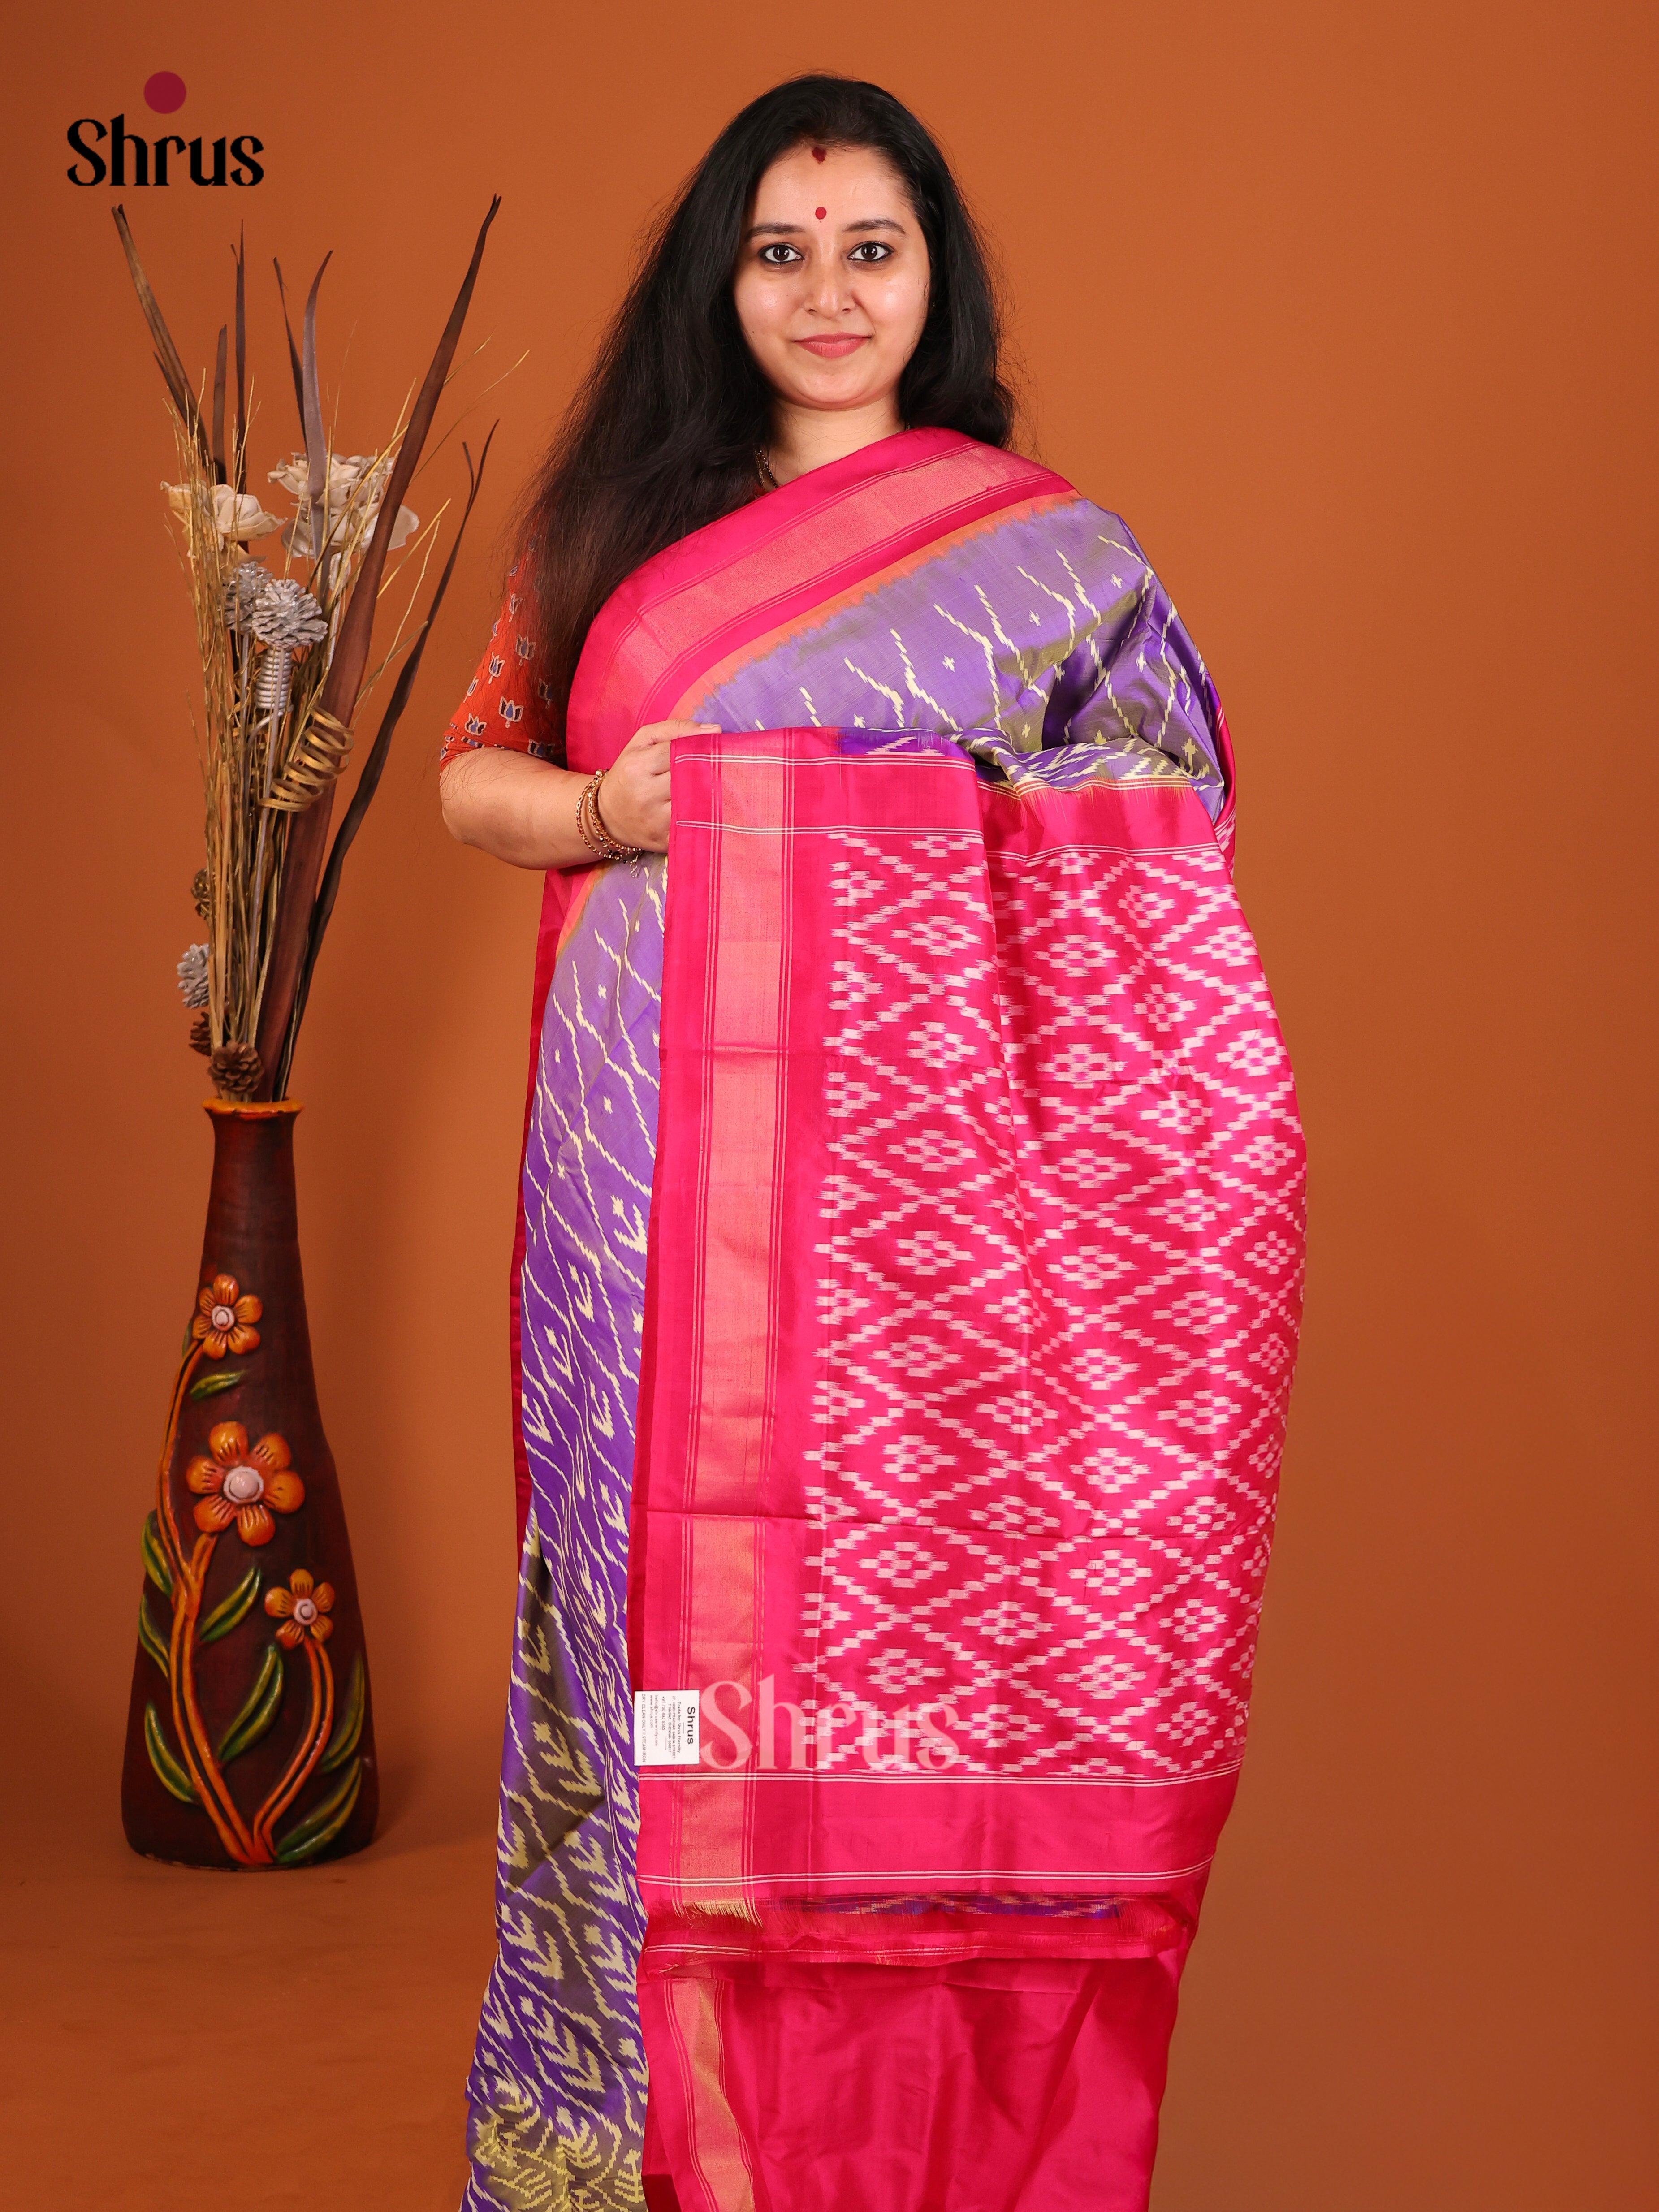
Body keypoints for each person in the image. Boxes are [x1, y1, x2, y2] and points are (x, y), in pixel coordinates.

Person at [440, 73, 1303, 2212]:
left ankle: (893, 2136)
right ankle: (660, 2139)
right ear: (718, 283)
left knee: (885, 1619)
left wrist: (864, 832)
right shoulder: (622, 530)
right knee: (649, 1623)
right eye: (779, 250)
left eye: (869, 248)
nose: (826, 293)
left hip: (926, 1221)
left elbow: (1159, 846)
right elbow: (477, 775)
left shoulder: (1047, 557)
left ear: (935, 278)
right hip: (645, 1188)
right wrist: (615, 809)